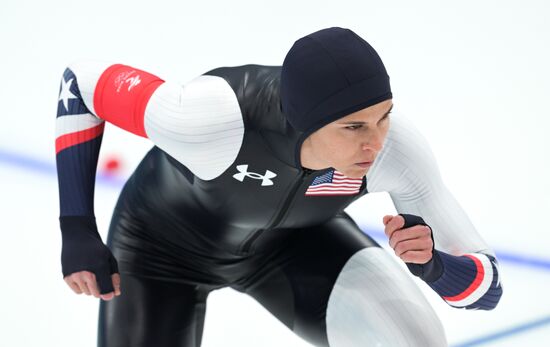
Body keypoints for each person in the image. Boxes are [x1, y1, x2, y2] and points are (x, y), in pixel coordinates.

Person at [55, 27, 502, 347]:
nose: (376, 142)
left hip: (295, 243)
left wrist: (435, 267)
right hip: (161, 251)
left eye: (384, 115)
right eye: (353, 126)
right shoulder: (210, 119)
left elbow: (488, 288)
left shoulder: (396, 150)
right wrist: (76, 226)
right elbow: (82, 83)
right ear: (301, 122)